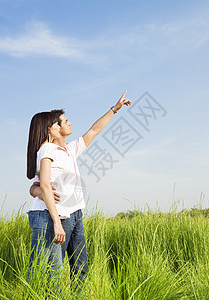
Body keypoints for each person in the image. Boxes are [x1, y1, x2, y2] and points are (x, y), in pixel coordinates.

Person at [28, 91, 131, 285]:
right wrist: (40, 193)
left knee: (80, 267)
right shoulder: (47, 149)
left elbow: (94, 131)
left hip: (76, 214)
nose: (69, 123)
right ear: (51, 128)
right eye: (63, 121)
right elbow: (38, 185)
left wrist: (114, 109)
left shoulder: (69, 150)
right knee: (54, 271)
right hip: (60, 216)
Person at [26, 111, 66, 276]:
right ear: (48, 129)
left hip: (45, 214)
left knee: (53, 272)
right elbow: (43, 185)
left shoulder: (43, 149)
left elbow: (36, 186)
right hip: (45, 215)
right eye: (56, 124)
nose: (59, 127)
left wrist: (37, 191)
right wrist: (57, 222)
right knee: (38, 270)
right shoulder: (48, 148)